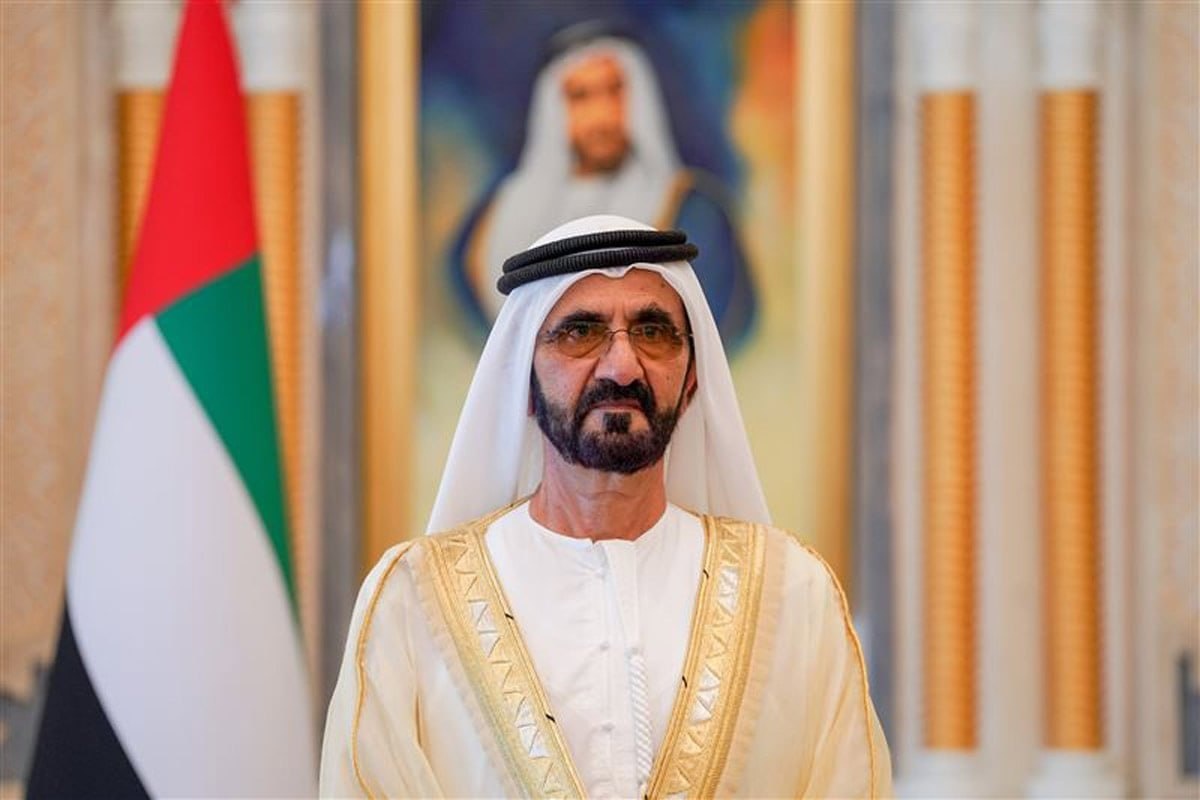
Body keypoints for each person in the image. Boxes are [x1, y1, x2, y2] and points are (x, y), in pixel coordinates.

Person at [321, 215, 892, 798]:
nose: (622, 367)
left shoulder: (795, 594)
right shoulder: (411, 601)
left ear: (691, 382)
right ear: (523, 382)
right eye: (580, 333)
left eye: (653, 332)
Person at [450, 26, 758, 350]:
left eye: (615, 91)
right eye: (580, 96)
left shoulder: (694, 212)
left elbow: (709, 338)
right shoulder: (495, 220)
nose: (602, 116)